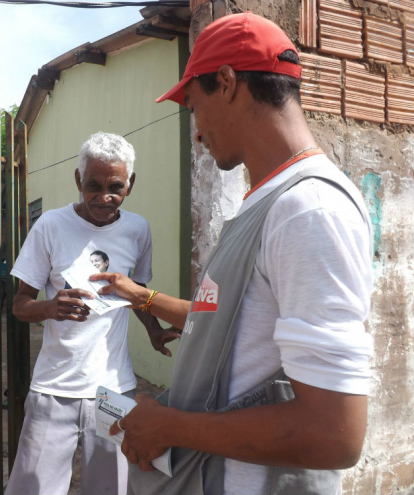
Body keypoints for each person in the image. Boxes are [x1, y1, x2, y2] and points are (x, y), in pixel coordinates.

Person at [91, 12, 374, 495]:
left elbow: (335, 434)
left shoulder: (308, 210)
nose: (197, 131)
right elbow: (228, 323)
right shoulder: (269, 203)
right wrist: (141, 295)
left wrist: (171, 427)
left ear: (225, 82)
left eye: (194, 106)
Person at [5, 132, 180, 495]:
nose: (103, 197)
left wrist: (153, 328)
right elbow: (19, 304)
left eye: (115, 186)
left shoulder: (137, 229)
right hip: (54, 388)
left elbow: (135, 295)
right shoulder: (51, 226)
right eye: (92, 185)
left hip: (114, 389)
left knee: (110, 489)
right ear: (77, 181)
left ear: (130, 184)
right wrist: (50, 308)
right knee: (33, 489)